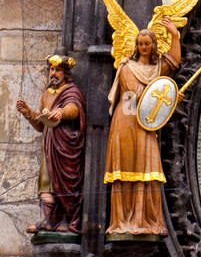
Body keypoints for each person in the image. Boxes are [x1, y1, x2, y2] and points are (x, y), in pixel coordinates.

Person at [104, 20, 180, 236]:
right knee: (126, 166)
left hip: (146, 123)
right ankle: (123, 221)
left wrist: (175, 36)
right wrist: (167, 97)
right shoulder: (127, 68)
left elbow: (173, 61)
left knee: (148, 167)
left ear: (153, 45)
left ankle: (146, 219)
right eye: (140, 44)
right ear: (136, 46)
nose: (144, 48)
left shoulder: (157, 68)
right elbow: (136, 93)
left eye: (147, 44)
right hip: (127, 121)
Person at [16, 55, 86, 233]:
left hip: (66, 145)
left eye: (57, 70)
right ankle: (46, 221)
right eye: (51, 70)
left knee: (66, 182)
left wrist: (62, 112)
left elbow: (74, 108)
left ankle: (67, 219)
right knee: (47, 182)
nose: (53, 74)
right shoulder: (46, 94)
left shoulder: (71, 90)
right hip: (49, 144)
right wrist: (28, 113)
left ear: (65, 73)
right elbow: (41, 125)